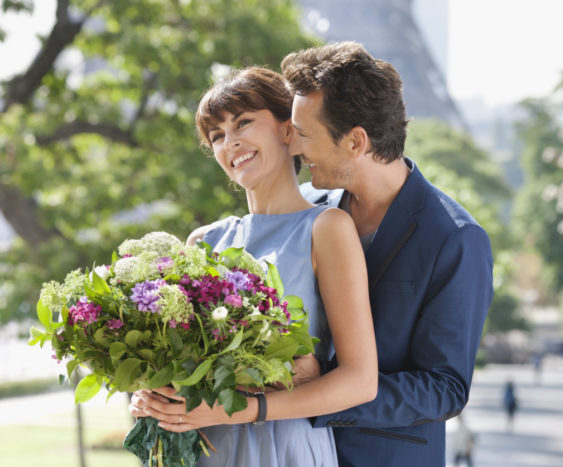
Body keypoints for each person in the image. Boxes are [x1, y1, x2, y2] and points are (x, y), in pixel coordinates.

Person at [129, 67, 378, 466]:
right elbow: (182, 364)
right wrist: (155, 395)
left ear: (288, 131)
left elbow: (360, 381)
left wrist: (248, 408)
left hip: (284, 448)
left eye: (244, 123)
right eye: (217, 135)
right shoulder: (203, 242)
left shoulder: (326, 228)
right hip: (208, 447)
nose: (232, 142)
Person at [281, 41, 494, 467]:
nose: (293, 148)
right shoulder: (302, 209)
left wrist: (324, 394)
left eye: (304, 134)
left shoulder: (456, 238)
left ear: (356, 141)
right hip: (286, 450)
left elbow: (445, 388)